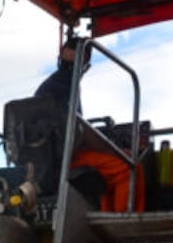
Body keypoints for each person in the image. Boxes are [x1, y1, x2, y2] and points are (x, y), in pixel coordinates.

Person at [34, 35, 145, 212]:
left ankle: (108, 227)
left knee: (110, 174)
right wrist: (114, 150)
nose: (68, 69)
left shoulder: (54, 84)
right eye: (67, 64)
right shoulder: (60, 86)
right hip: (64, 159)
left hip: (54, 158)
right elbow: (81, 131)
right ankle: (126, 225)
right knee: (129, 167)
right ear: (85, 67)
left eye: (72, 65)